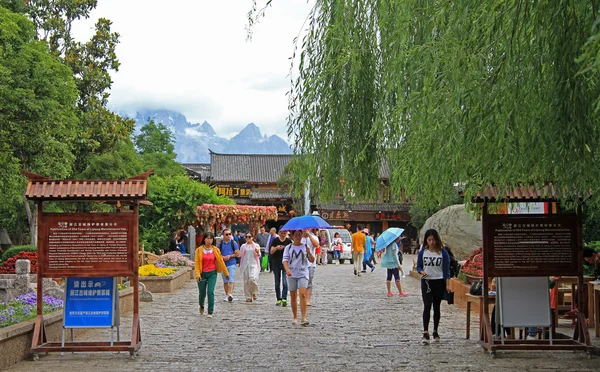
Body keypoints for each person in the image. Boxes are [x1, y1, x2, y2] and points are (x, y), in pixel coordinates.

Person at [416, 228, 452, 344]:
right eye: (429, 240)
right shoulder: (423, 252)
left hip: (439, 281)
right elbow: (419, 266)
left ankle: (435, 330)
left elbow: (446, 270)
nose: (432, 242)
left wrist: (448, 284)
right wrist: (421, 272)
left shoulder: (443, 253)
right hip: (427, 281)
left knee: (437, 306)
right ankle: (425, 332)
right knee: (427, 305)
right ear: (426, 240)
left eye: (433, 240)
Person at [283, 229, 316, 325]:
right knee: (293, 295)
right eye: (296, 235)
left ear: (302, 236)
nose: (298, 237)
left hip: (303, 273)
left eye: (299, 235)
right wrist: (287, 269)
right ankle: (295, 316)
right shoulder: (288, 248)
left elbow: (312, 260)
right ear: (292, 237)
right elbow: (285, 260)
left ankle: (304, 317)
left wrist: (309, 253)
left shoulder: (305, 247)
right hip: (292, 274)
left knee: (302, 294)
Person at [195, 232, 230, 318]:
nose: (209, 241)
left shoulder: (215, 250)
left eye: (211, 239)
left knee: (210, 292)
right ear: (204, 239)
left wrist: (226, 273)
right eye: (207, 238)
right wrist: (197, 274)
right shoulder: (199, 250)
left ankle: (210, 311)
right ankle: (201, 304)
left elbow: (221, 261)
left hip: (212, 273)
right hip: (202, 273)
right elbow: (197, 263)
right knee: (202, 293)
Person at [269, 229, 292, 306]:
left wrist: (286, 248)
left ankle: (284, 298)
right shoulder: (275, 240)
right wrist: (276, 248)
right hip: (276, 263)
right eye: (282, 233)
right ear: (279, 233)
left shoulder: (289, 241)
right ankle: (278, 298)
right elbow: (271, 251)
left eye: (284, 233)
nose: (283, 234)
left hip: (285, 263)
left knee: (285, 282)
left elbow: (292, 252)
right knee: (277, 282)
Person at [217, 228, 239, 302]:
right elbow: (217, 254)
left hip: (232, 263)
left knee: (231, 278)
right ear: (223, 235)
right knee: (225, 280)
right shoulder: (220, 244)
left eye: (230, 234)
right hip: (223, 264)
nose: (228, 236)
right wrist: (223, 257)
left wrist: (230, 256)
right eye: (227, 234)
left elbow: (237, 253)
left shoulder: (234, 243)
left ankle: (230, 294)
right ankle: (227, 294)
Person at [240, 233, 261, 302]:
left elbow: (259, 254)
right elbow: (240, 254)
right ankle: (248, 297)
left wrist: (258, 252)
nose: (247, 238)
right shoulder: (243, 246)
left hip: (253, 264)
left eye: (249, 237)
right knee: (246, 281)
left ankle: (254, 292)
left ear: (252, 237)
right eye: (246, 237)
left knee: (252, 278)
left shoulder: (256, 245)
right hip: (245, 264)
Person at [302, 229, 319, 306]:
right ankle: (302, 299)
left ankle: (308, 300)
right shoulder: (299, 237)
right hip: (301, 264)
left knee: (309, 282)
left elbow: (316, 245)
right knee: (301, 283)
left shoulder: (314, 237)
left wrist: (309, 235)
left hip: (311, 264)